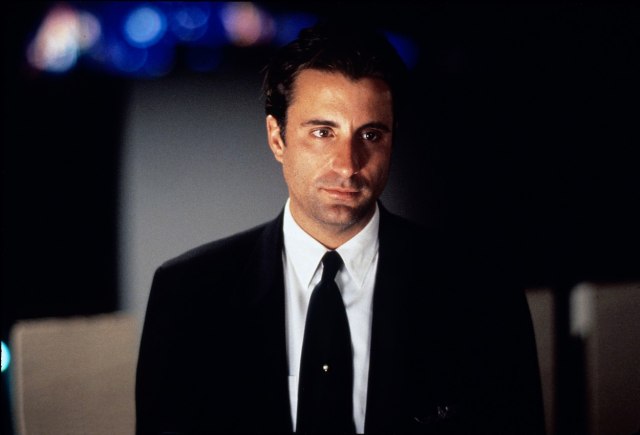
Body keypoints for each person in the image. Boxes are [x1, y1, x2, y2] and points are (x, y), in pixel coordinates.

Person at [135, 19, 545, 434]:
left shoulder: (482, 292)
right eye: (322, 132)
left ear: (393, 139)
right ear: (277, 138)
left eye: (370, 135)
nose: (348, 165)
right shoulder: (187, 294)